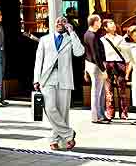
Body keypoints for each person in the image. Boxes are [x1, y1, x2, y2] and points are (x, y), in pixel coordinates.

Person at [33, 15, 85, 151]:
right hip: (47, 78)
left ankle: (55, 139)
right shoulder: (45, 39)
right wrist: (36, 79)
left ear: (67, 24)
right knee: (50, 108)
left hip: (65, 78)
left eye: (63, 21)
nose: (59, 23)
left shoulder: (70, 38)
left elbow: (79, 52)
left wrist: (72, 32)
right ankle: (68, 134)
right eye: (57, 21)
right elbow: (39, 60)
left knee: (63, 111)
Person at [83, 14, 111, 124]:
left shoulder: (87, 34)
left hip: (91, 65)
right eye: (99, 21)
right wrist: (103, 70)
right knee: (97, 92)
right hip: (96, 66)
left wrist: (85, 69)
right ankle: (96, 116)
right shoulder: (92, 36)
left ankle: (100, 115)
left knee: (100, 92)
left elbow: (87, 53)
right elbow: (96, 55)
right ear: (95, 22)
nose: (100, 23)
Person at [101, 19, 131, 120]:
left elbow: (126, 52)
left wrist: (127, 65)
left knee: (122, 90)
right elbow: (101, 54)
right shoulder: (102, 40)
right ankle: (110, 112)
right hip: (107, 63)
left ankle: (124, 113)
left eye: (113, 23)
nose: (113, 25)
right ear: (105, 28)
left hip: (119, 63)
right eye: (110, 24)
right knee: (108, 90)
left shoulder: (121, 38)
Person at [123, 26, 136, 125]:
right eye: (132, 35)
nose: (133, 37)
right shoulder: (133, 47)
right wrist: (126, 34)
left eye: (134, 34)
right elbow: (120, 44)